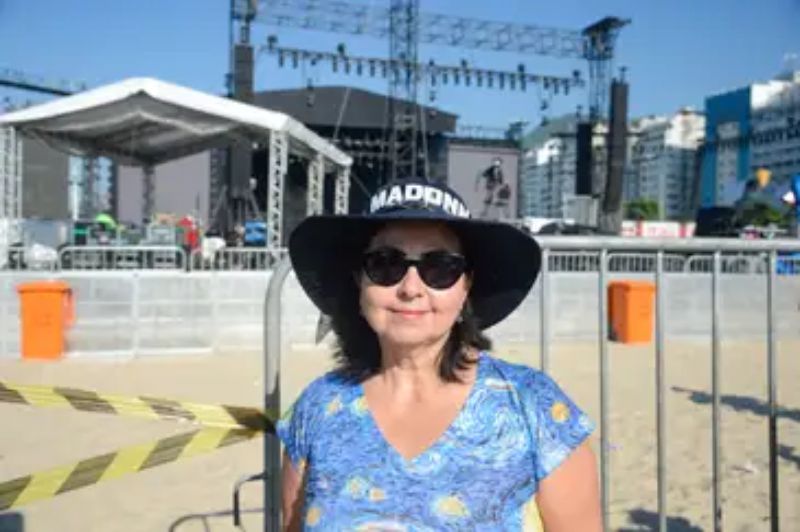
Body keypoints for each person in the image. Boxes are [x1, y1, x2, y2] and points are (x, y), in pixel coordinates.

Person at [280, 178, 601, 531]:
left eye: (440, 268)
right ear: (359, 281)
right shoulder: (317, 409)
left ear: (467, 287)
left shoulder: (535, 408)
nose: (411, 289)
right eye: (386, 264)